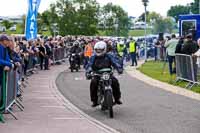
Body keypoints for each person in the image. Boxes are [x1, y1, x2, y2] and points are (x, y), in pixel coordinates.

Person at [85, 41, 123, 107]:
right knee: (93, 83)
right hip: (97, 74)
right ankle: (94, 100)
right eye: (97, 50)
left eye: (100, 50)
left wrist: (119, 69)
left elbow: (115, 62)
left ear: (104, 49)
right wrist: (88, 72)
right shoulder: (93, 57)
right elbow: (89, 65)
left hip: (108, 74)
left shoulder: (109, 56)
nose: (99, 51)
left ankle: (117, 98)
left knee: (115, 82)